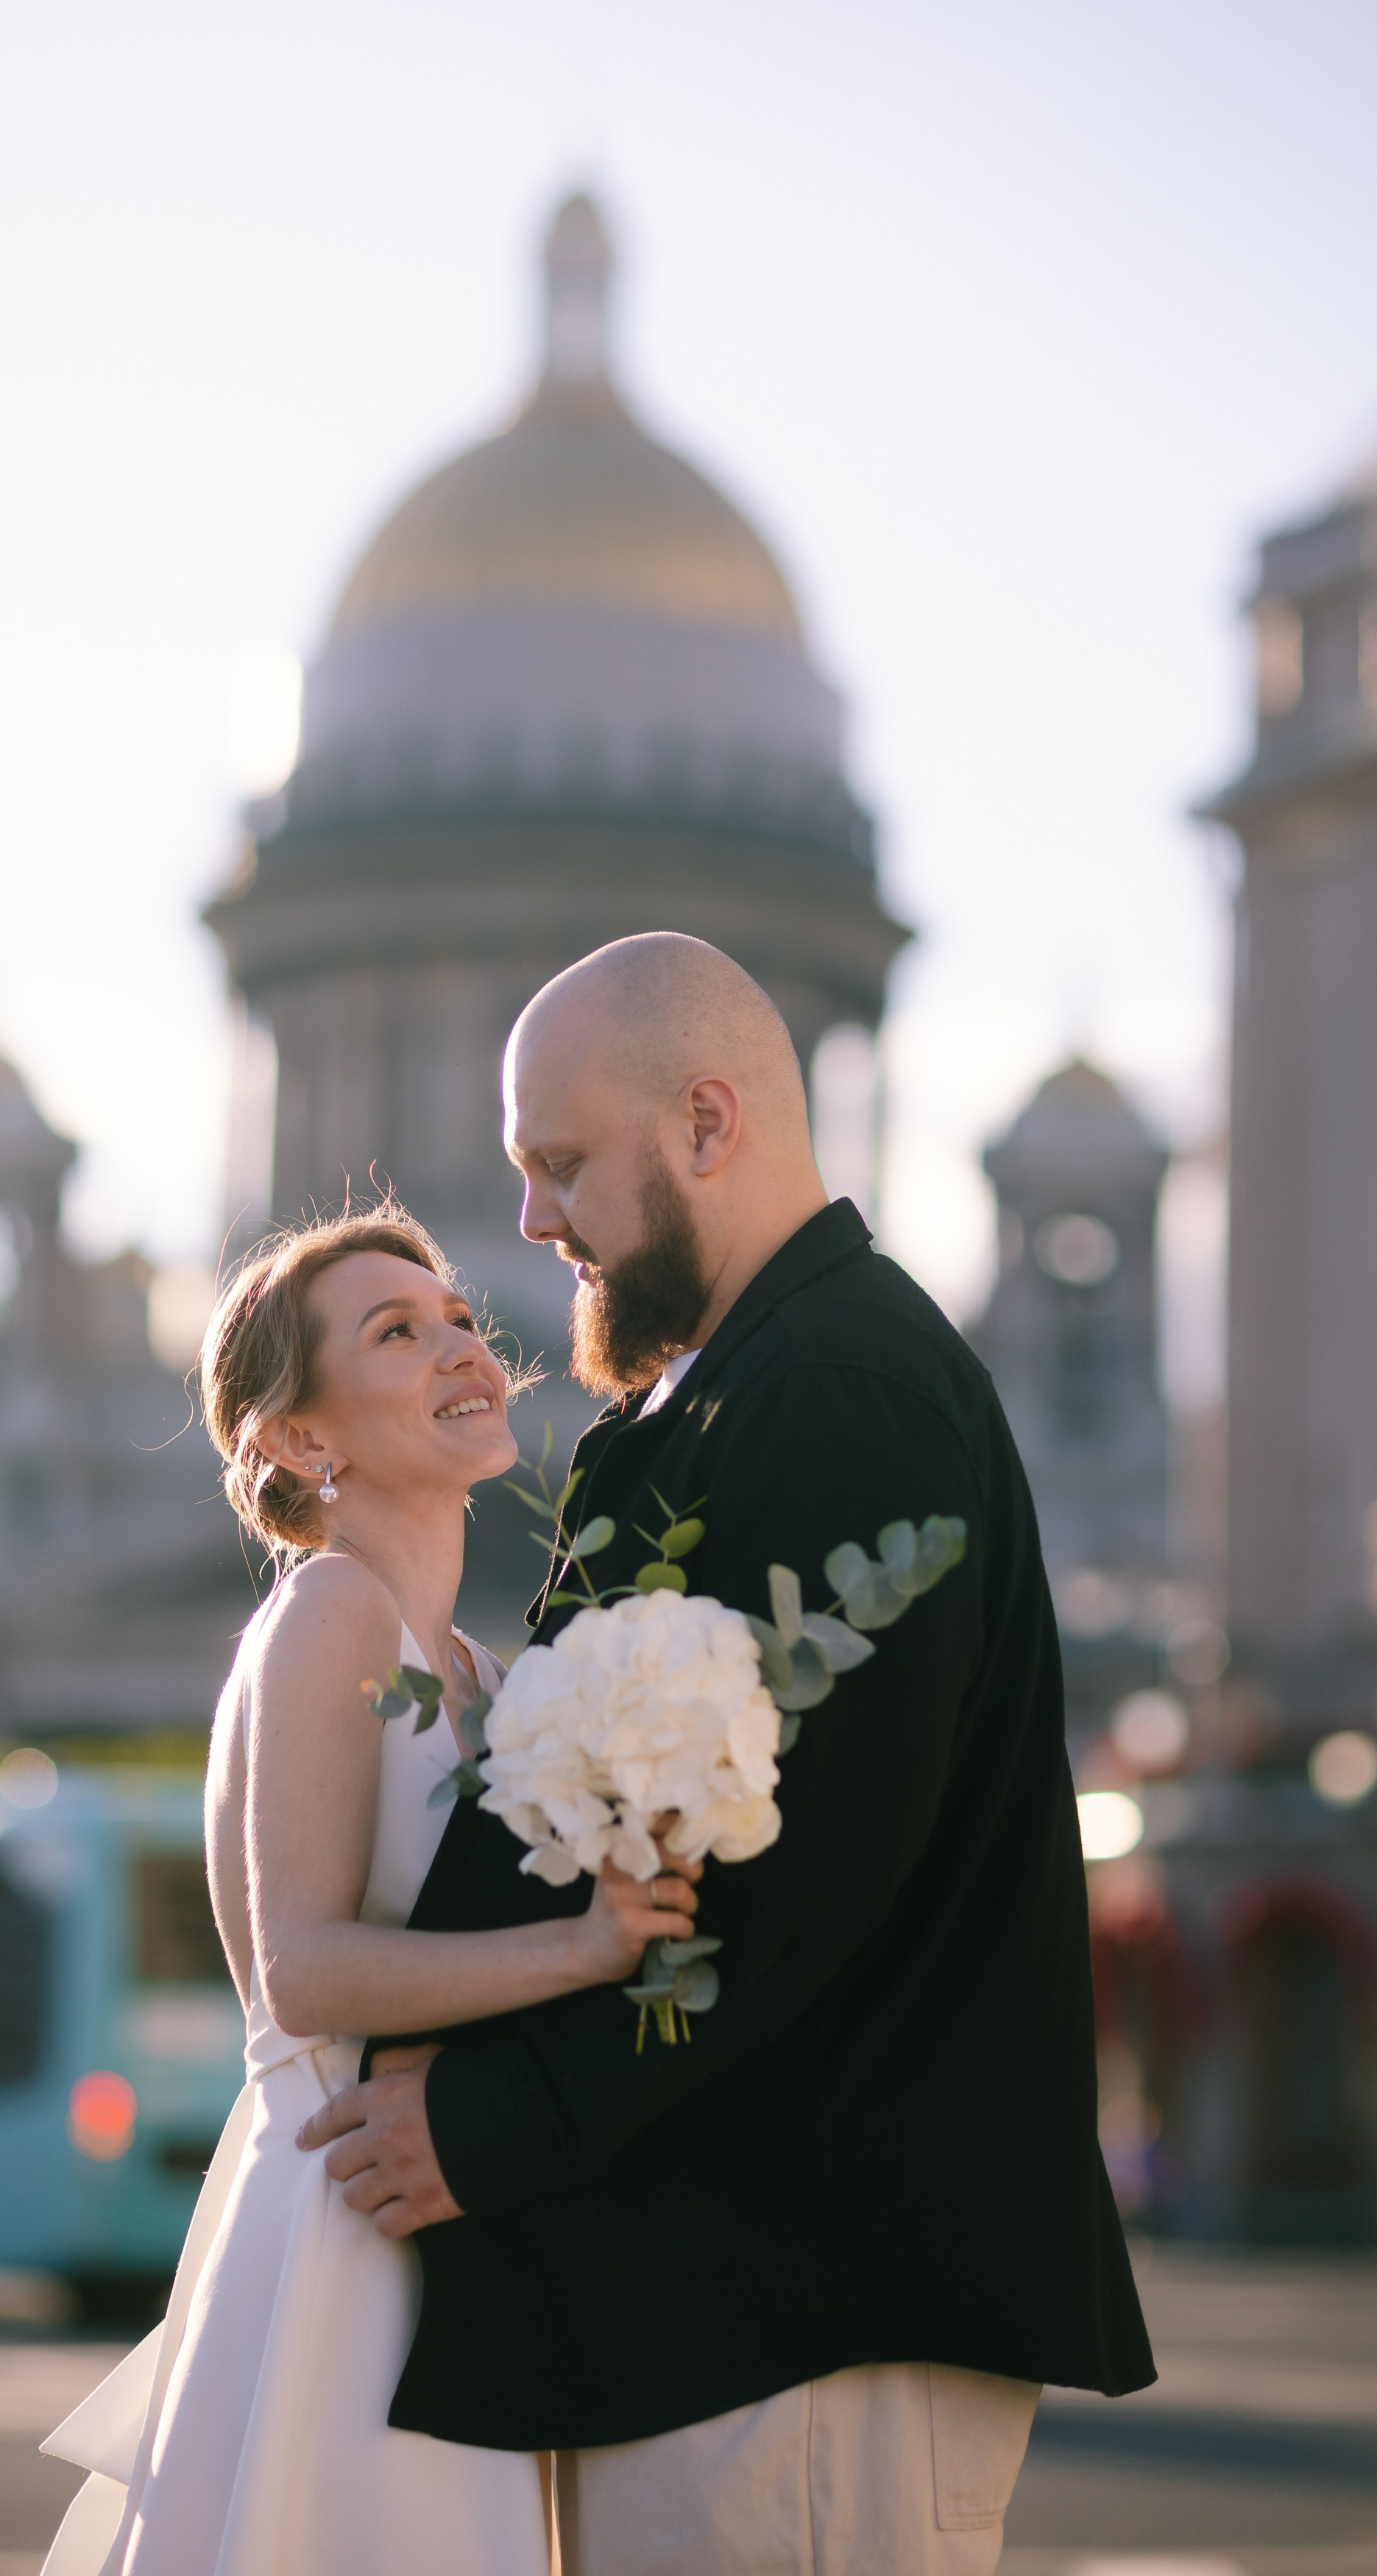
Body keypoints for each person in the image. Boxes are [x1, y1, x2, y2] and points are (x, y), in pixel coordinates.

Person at [298, 933, 1155, 2576]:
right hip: (736, 2316)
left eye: (560, 1166)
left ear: (707, 1123)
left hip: (797, 2321)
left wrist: (494, 2129)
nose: (535, 1223)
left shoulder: (841, 1389)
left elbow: (809, 1862)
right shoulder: (742, 1387)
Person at [38, 1208, 701, 2576]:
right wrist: (591, 1946)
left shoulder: (481, 1672)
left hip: (437, 2219)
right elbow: (307, 1970)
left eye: (456, 1317)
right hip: (344, 2225)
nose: (462, 1346)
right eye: (396, 1333)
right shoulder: (329, 1609)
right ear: (299, 1439)